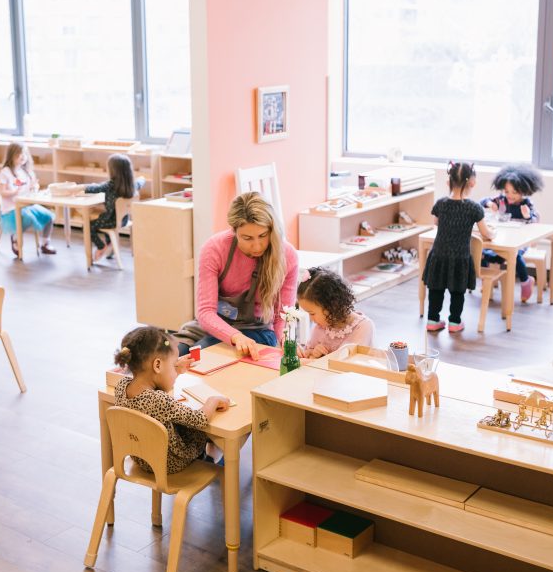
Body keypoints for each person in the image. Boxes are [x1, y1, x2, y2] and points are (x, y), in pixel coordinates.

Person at [177, 191, 299, 360]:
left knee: (203, 355)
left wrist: (286, 341)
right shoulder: (214, 249)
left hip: (257, 330)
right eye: (247, 238)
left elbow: (282, 315)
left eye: (263, 235)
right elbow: (205, 312)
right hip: (214, 324)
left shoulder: (288, 256)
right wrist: (235, 336)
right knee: (173, 353)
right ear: (234, 231)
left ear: (271, 229)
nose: (257, 246)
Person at [113, 326, 228, 473]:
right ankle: (211, 457)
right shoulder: (159, 400)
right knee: (209, 425)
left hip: (141, 457)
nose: (175, 369)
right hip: (170, 463)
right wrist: (213, 400)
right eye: (173, 365)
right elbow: (200, 419)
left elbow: (154, 398)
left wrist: (176, 370)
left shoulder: (122, 385)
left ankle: (211, 453)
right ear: (157, 365)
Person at [423, 161, 494, 333]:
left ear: (448, 181)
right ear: (472, 183)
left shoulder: (441, 203)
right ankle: (455, 323)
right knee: (457, 291)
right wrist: (492, 233)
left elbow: (436, 222)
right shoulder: (474, 208)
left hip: (439, 254)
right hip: (460, 256)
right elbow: (485, 233)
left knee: (436, 288)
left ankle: (432, 320)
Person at [481, 163, 545, 302]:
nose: (509, 195)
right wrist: (489, 204)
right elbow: (482, 202)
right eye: (507, 191)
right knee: (484, 253)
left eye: (514, 192)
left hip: (520, 242)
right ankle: (487, 280)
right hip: (502, 240)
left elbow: (534, 220)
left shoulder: (526, 204)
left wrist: (527, 216)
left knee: (515, 255)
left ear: (524, 190)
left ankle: (526, 281)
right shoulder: (501, 200)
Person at [296, 267, 374, 358]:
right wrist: (314, 353)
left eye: (312, 313)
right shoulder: (321, 327)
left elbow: (350, 362)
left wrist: (319, 358)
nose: (311, 319)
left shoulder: (363, 327)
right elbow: (308, 353)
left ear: (332, 305)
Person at [81, 154, 144, 263]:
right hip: (123, 220)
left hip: (111, 221)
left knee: (87, 225)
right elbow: (141, 181)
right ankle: (110, 245)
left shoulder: (110, 185)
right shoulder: (132, 184)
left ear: (112, 171)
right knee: (102, 219)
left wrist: (80, 186)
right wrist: (141, 178)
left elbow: (92, 189)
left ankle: (101, 246)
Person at [0, 142, 57, 256]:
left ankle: (45, 243)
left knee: (49, 216)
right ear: (11, 155)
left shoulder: (26, 172)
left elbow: (31, 188)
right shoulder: (5, 172)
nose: (22, 156)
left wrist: (35, 187)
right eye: (19, 154)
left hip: (28, 206)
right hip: (11, 209)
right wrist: (14, 192)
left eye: (24, 153)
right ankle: (15, 238)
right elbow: (2, 192)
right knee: (28, 217)